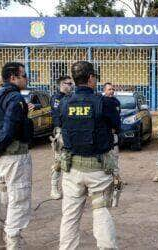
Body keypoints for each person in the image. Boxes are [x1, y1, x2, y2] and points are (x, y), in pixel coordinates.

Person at [58, 61, 121, 250]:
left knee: (69, 216)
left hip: (71, 168)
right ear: (91, 78)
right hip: (98, 169)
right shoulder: (104, 103)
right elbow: (118, 127)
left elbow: (61, 125)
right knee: (101, 212)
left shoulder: (63, 103)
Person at [0, 62, 33, 249]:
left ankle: (0, 240)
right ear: (13, 78)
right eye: (24, 75)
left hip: (2, 159)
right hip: (14, 156)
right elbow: (9, 128)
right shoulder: (15, 98)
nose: (27, 78)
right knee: (18, 199)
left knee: (1, 198)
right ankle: (13, 243)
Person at [49, 75, 74, 199]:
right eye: (68, 83)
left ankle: (69, 188)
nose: (70, 86)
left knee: (72, 161)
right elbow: (57, 116)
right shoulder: (56, 98)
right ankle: (54, 188)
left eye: (71, 83)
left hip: (71, 132)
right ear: (62, 84)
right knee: (59, 161)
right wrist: (59, 131)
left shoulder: (71, 97)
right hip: (61, 132)